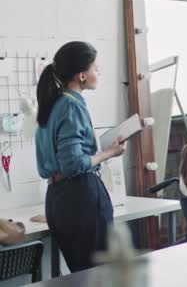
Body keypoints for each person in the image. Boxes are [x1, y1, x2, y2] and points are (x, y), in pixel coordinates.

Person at [35, 41, 125, 272]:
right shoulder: (71, 106)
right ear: (82, 75)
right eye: (95, 68)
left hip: (57, 198)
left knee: (81, 275)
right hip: (80, 197)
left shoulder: (52, 105)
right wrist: (110, 153)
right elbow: (73, 163)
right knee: (99, 276)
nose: (99, 72)